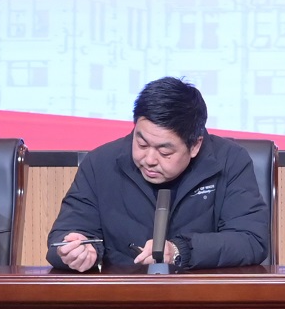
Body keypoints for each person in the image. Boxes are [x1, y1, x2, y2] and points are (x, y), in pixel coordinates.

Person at [48, 77, 270, 272]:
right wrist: (78, 250)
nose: (150, 159)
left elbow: (251, 240)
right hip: (121, 296)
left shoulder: (229, 161)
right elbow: (63, 237)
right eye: (142, 144)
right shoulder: (100, 163)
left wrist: (180, 250)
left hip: (204, 297)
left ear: (195, 145)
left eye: (165, 152)